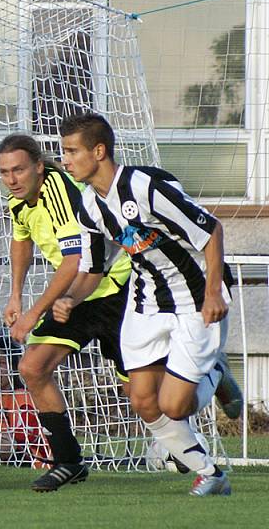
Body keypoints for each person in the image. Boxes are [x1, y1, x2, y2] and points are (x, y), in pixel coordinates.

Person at [54, 112, 233, 496]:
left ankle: (216, 370)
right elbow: (92, 268)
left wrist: (214, 292)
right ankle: (210, 473)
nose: (65, 160)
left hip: (195, 298)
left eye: (71, 151)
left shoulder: (146, 187)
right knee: (142, 399)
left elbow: (211, 230)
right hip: (147, 300)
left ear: (98, 151)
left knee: (175, 405)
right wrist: (70, 298)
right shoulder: (89, 205)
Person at [0, 133, 132, 491]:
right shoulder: (19, 200)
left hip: (113, 290)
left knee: (141, 395)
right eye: (5, 172)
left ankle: (208, 373)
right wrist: (15, 296)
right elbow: (21, 240)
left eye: (19, 170)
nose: (12, 179)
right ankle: (68, 461)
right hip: (74, 297)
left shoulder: (57, 188)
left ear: (39, 167)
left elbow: (75, 261)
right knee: (32, 366)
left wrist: (31, 314)